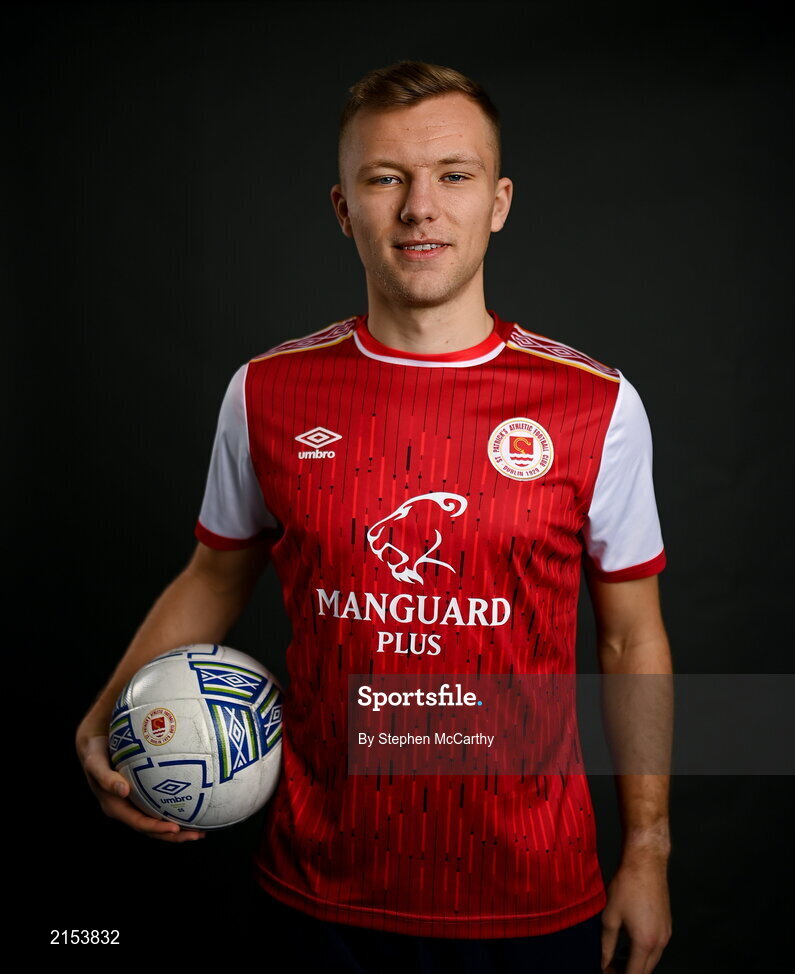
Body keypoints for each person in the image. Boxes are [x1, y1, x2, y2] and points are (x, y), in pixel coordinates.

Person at [76, 61, 673, 973]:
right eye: (385, 178)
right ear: (343, 207)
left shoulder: (593, 404)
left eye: (454, 175)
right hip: (318, 889)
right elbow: (215, 573)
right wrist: (111, 707)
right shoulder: (267, 392)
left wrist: (646, 850)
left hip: (530, 890)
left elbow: (630, 640)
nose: (419, 208)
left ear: (499, 201)